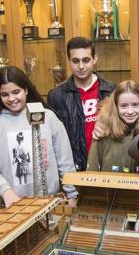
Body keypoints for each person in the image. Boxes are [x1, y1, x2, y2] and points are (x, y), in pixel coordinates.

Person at [0, 66, 78, 208]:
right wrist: (4, 190)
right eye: (5, 94)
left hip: (51, 202)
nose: (11, 98)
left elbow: (64, 160)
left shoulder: (48, 117)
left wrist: (72, 193)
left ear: (26, 90)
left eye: (16, 92)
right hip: (14, 207)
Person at [47, 37, 115, 171]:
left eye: (86, 60)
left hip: (107, 165)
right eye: (75, 61)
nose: (81, 66)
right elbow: (52, 139)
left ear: (95, 59)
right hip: (73, 168)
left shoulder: (112, 91)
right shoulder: (57, 96)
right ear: (69, 61)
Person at [86, 80, 139, 172]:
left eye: (135, 105)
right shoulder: (104, 132)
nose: (130, 111)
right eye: (124, 106)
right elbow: (92, 170)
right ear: (116, 107)